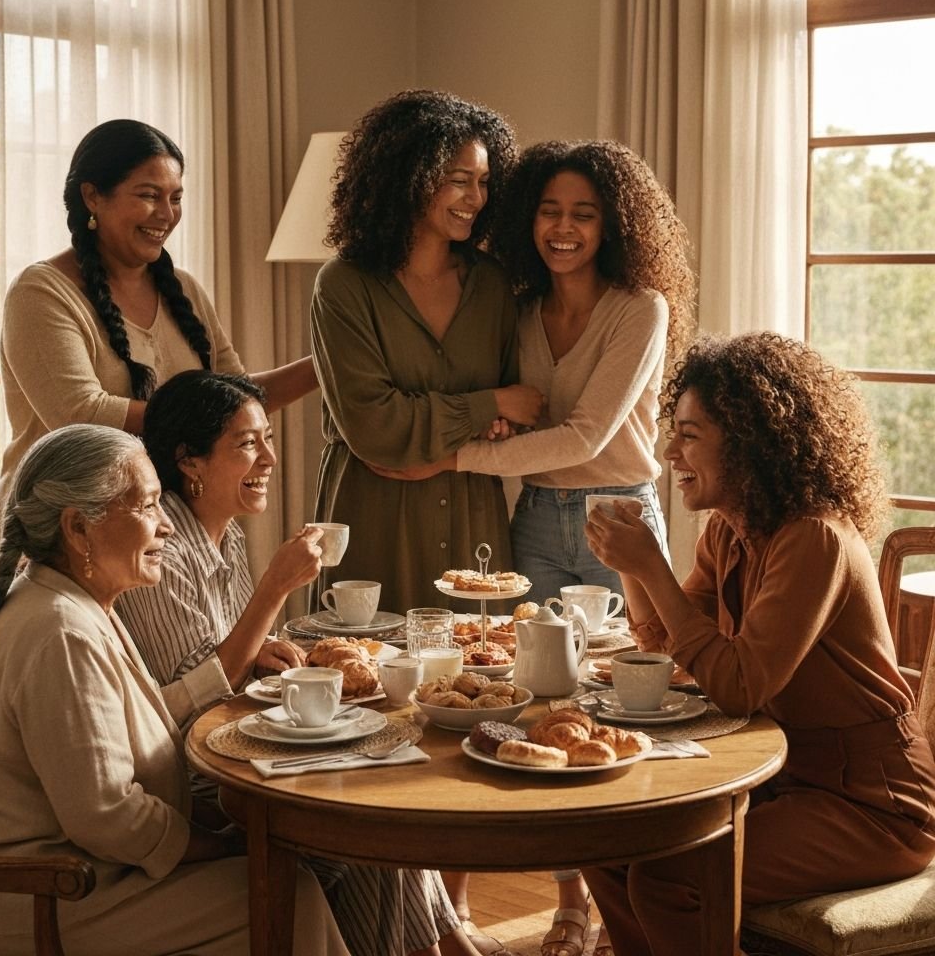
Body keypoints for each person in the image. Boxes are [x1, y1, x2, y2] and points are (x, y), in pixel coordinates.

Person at [369, 140, 696, 956]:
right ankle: (453, 911)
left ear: (612, 223)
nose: (564, 228)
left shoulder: (641, 308)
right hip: (537, 517)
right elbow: (508, 418)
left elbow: (583, 432)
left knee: (609, 711)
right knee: (510, 695)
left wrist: (452, 455)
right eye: (549, 210)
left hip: (619, 520)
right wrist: (487, 424)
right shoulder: (515, 310)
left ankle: (582, 906)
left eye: (583, 213)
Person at [0, 424, 347, 956]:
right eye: (148, 505)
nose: (168, 525)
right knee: (290, 894)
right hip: (35, 895)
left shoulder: (72, 601)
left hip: (73, 874)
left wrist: (228, 679)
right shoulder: (60, 630)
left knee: (293, 877)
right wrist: (217, 844)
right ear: (79, 529)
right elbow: (108, 816)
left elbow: (129, 720)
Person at [581, 332, 935, 956]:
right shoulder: (731, 530)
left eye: (689, 435)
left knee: (671, 878)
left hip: (871, 803)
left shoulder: (813, 538)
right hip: (784, 776)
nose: (670, 452)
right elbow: (669, 652)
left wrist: (653, 567)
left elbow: (739, 684)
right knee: (610, 844)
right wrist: (630, 565)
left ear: (747, 444)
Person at [116, 369, 489, 956]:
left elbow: (225, 659)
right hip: (198, 772)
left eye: (268, 438)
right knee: (363, 822)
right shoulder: (163, 545)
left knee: (375, 809)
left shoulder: (224, 534)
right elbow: (191, 699)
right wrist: (273, 592)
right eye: (247, 443)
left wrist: (261, 646)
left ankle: (441, 943)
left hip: (237, 741)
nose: (268, 457)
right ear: (189, 462)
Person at [0, 118, 316, 571]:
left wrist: (326, 366)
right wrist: (209, 422)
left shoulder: (185, 289)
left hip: (162, 528)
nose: (167, 213)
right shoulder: (41, 293)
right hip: (64, 537)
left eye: (176, 197)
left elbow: (237, 399)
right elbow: (82, 414)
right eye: (148, 195)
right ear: (92, 197)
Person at [310, 88, 544, 620]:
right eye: (459, 180)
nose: (477, 198)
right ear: (408, 178)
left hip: (472, 516)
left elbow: (519, 417)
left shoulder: (492, 285)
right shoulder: (343, 284)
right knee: (366, 679)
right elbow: (375, 428)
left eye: (484, 182)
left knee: (481, 679)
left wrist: (493, 411)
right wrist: (487, 405)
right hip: (375, 516)